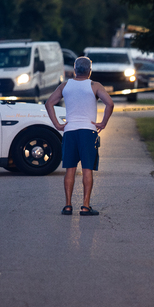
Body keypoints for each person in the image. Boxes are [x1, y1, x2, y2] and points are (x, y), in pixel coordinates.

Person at [45, 56, 114, 216]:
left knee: (70, 169)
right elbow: (109, 104)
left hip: (69, 132)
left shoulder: (65, 86)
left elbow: (49, 103)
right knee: (87, 169)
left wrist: (57, 124)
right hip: (88, 132)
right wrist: (103, 123)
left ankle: (68, 205)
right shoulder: (94, 86)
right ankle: (85, 206)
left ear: (75, 70)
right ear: (90, 71)